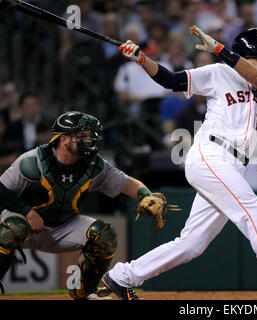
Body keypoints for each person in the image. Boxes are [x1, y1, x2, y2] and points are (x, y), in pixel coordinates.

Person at [102, 26, 257, 301]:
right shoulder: (218, 72)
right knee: (254, 212)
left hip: (235, 165)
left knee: (192, 244)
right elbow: (171, 80)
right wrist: (141, 58)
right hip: (211, 153)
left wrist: (220, 50)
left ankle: (121, 276)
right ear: (254, 47)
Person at [0, 111, 167, 299]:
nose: (88, 140)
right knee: (12, 227)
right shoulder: (33, 161)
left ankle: (84, 291)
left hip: (63, 226)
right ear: (63, 139)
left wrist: (147, 195)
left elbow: (127, 183)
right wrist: (27, 212)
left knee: (105, 235)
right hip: (26, 223)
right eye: (82, 136)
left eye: (89, 135)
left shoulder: (94, 165)